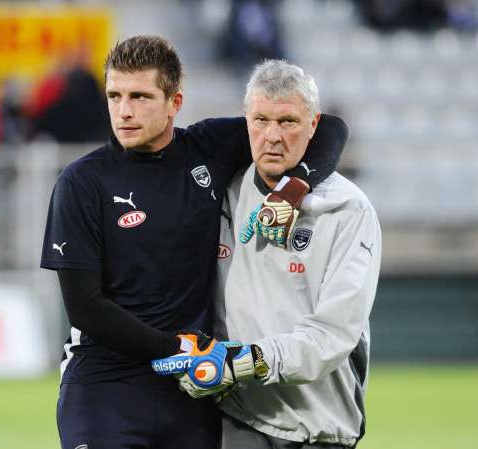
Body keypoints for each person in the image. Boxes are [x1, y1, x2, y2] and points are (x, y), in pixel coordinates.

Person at [40, 36, 348, 449]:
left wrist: (294, 187)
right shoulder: (81, 182)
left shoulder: (209, 148)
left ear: (175, 102)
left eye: (140, 96)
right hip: (105, 385)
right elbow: (85, 307)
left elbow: (328, 128)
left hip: (191, 391)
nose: (124, 111)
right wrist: (176, 347)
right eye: (115, 96)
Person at [153, 60, 381, 448]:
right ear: (246, 122)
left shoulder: (347, 210)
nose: (272, 136)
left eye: (288, 122)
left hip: (320, 425)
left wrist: (244, 361)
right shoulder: (222, 194)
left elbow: (332, 335)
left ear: (313, 125)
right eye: (261, 120)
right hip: (241, 417)